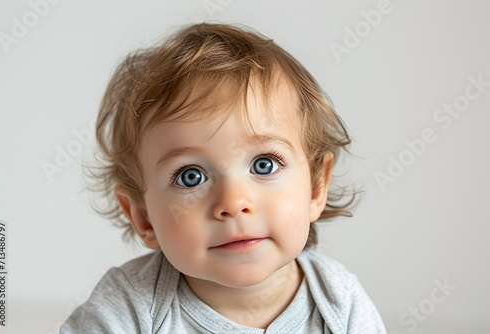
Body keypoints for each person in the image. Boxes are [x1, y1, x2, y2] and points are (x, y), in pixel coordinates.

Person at [61, 22, 387, 333]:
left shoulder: (340, 302)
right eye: (191, 176)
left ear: (316, 188)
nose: (233, 203)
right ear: (143, 217)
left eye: (264, 165)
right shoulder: (129, 307)